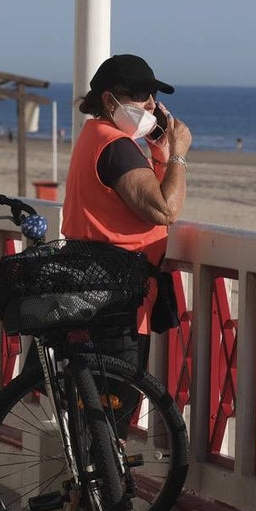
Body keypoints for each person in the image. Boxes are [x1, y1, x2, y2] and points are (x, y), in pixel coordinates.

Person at [62, 53, 191, 374]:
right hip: (115, 296)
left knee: (91, 403)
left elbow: (149, 198)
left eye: (154, 96)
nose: (150, 104)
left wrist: (158, 153)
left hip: (90, 283)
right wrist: (178, 154)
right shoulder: (115, 146)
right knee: (114, 405)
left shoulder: (94, 135)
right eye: (139, 95)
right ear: (109, 100)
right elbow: (164, 209)